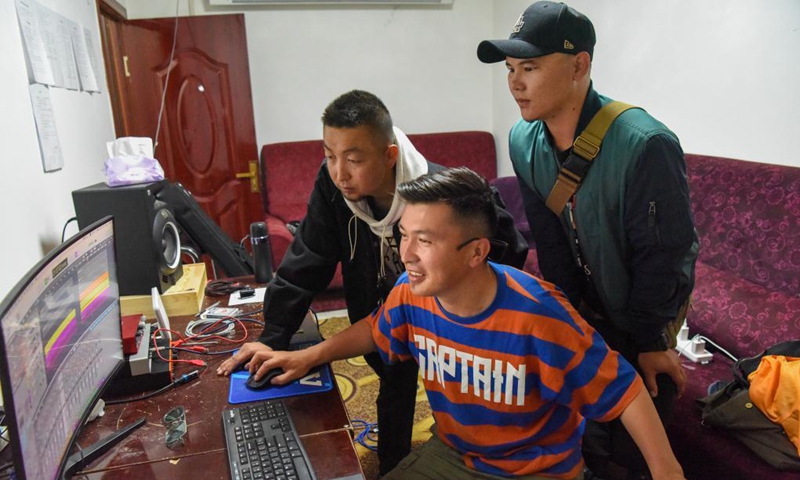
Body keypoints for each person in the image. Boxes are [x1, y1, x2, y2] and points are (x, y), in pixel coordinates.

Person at [228, 167, 686, 480]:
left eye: (424, 241)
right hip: (456, 454)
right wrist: (306, 354)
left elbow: (623, 391)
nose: (406, 255)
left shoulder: (540, 315)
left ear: (476, 252)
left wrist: (667, 471)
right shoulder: (413, 292)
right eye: (404, 236)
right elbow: (377, 326)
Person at [217, 90, 528, 475]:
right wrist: (274, 335)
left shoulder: (441, 193)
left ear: (390, 155)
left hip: (442, 318)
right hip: (379, 306)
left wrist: (464, 299)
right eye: (329, 155)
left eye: (354, 159)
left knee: (460, 400)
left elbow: (506, 246)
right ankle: (394, 463)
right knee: (391, 381)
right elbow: (308, 256)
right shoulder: (334, 185)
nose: (339, 172)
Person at [477, 3, 699, 479]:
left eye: (530, 68)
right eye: (511, 70)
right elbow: (550, 239)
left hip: (641, 310)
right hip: (584, 311)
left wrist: (650, 339)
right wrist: (568, 320)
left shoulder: (644, 144)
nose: (515, 83)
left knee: (637, 451)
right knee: (581, 435)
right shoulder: (523, 139)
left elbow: (665, 256)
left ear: (579, 65)